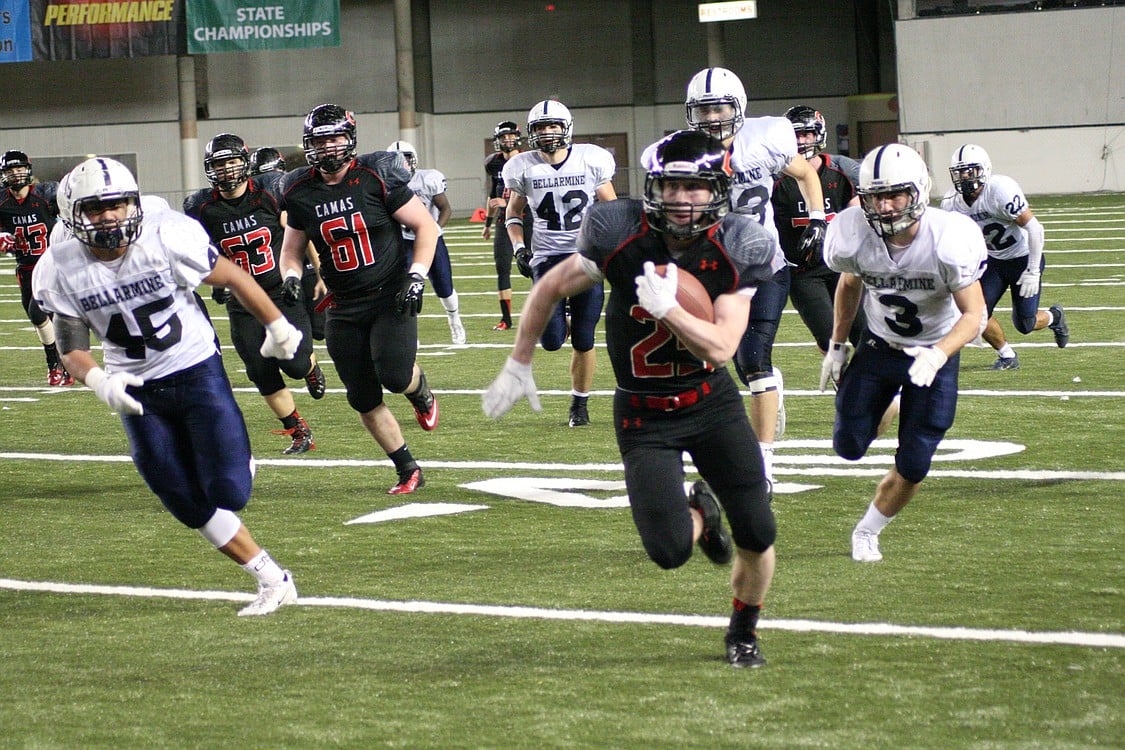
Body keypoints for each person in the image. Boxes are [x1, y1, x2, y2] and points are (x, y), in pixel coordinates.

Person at [484, 130, 780, 668]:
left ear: (719, 189)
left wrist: (671, 310)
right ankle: (703, 514)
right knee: (669, 552)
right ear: (653, 187)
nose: (683, 199)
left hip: (710, 401)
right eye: (672, 185)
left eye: (696, 187)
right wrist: (519, 360)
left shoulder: (739, 242)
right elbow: (550, 286)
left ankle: (743, 631)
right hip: (643, 413)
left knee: (759, 533)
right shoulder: (618, 229)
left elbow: (722, 346)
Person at [32, 156, 301, 616]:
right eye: (96, 208)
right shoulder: (60, 266)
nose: (110, 216)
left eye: (118, 204)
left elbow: (234, 276)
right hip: (135, 386)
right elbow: (71, 344)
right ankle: (272, 579)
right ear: (73, 215)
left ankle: (237, 458)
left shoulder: (165, 234)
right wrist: (97, 379)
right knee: (178, 495)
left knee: (229, 493)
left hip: (194, 369)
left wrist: (278, 327)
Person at [819, 143, 987, 563]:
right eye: (877, 196)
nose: (887, 205)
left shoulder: (948, 237)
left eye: (896, 193)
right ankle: (891, 400)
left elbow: (975, 315)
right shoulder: (852, 232)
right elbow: (850, 283)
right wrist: (837, 345)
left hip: (936, 351)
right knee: (849, 445)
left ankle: (867, 530)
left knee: (915, 461)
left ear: (920, 190)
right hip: (880, 345)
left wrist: (940, 353)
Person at [277, 103, 439, 495]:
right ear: (308, 143)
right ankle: (407, 468)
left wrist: (416, 276)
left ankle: (419, 389)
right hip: (343, 305)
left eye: (335, 137)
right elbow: (290, 251)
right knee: (362, 397)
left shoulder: (376, 177)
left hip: (389, 295)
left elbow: (425, 226)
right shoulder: (298, 189)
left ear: (349, 139)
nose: (329, 146)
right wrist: (292, 277)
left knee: (395, 376)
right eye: (320, 139)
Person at [682, 68, 828, 484]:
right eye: (704, 109)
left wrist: (816, 218)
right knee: (714, 359)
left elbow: (805, 173)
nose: (712, 118)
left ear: (739, 106)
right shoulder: (686, 152)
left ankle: (763, 464)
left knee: (754, 361)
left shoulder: (766, 137)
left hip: (766, 266)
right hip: (714, 272)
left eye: (720, 107)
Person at [183, 133, 327, 455]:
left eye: (232, 162)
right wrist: (217, 281)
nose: (226, 170)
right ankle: (298, 430)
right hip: (241, 299)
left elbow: (299, 232)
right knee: (259, 370)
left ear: (245, 162)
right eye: (219, 164)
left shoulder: (269, 192)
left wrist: (319, 271)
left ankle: (310, 367)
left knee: (294, 363)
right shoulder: (201, 207)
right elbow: (199, 248)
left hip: (280, 292)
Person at [502, 99, 617, 427]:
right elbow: (513, 214)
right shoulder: (522, 166)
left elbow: (612, 209)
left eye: (553, 126)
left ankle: (579, 404)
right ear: (531, 132)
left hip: (585, 258)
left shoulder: (589, 160)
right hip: (548, 259)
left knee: (584, 338)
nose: (547, 133)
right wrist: (519, 248)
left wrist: (610, 248)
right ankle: (562, 315)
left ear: (566, 128)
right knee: (551, 341)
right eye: (540, 127)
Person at [940, 144, 1069, 369]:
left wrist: (1033, 269)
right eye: (960, 172)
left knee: (1025, 323)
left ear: (985, 169)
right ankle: (1007, 355)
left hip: (1022, 257)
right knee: (975, 313)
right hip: (993, 261)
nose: (964, 177)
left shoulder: (999, 190)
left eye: (970, 171)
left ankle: (1053, 316)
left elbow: (1035, 228)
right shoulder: (951, 203)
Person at [772, 106, 866, 353]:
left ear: (819, 135)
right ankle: (842, 381)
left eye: (807, 134)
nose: (802, 141)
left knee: (865, 334)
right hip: (803, 272)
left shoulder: (843, 170)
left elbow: (859, 220)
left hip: (842, 266)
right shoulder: (775, 178)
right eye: (796, 135)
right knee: (829, 338)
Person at [0, 149, 73, 386]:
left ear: (28, 169)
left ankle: (56, 365)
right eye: (10, 170)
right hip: (26, 269)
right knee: (40, 320)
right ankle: (61, 365)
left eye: (19, 168)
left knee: (38, 312)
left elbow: (70, 215)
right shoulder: (2, 201)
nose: (16, 174)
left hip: (52, 264)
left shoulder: (46, 195)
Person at [387, 140, 467, 345]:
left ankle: (454, 320)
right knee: (405, 287)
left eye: (405, 159)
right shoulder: (384, 184)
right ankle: (410, 333)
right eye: (396, 161)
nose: (402, 165)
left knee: (444, 286)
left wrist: (436, 229)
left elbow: (445, 208)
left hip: (431, 239)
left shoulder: (428, 178)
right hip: (403, 241)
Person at [248, 146, 327, 343]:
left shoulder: (288, 193)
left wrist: (320, 274)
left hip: (303, 263)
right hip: (284, 268)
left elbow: (301, 232)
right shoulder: (264, 197)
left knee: (320, 329)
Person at [482, 121, 531, 331]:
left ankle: (548, 314)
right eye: (503, 137)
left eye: (511, 136)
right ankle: (506, 319)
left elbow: (537, 193)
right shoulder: (493, 163)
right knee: (502, 268)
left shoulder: (529, 161)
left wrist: (507, 202)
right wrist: (487, 224)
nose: (507, 140)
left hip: (529, 219)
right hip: (504, 222)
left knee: (536, 266)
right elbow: (493, 195)